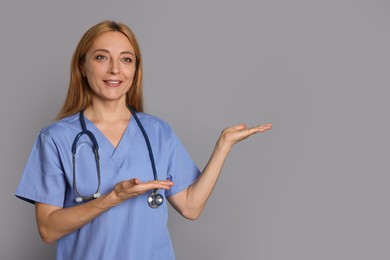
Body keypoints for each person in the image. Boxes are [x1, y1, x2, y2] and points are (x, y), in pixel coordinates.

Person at [15, 20, 272, 260]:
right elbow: (48, 229)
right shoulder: (56, 138)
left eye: (126, 59)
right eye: (102, 57)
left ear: (135, 69)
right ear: (82, 66)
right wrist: (112, 198)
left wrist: (223, 146)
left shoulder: (158, 132)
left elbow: (191, 207)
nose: (115, 69)